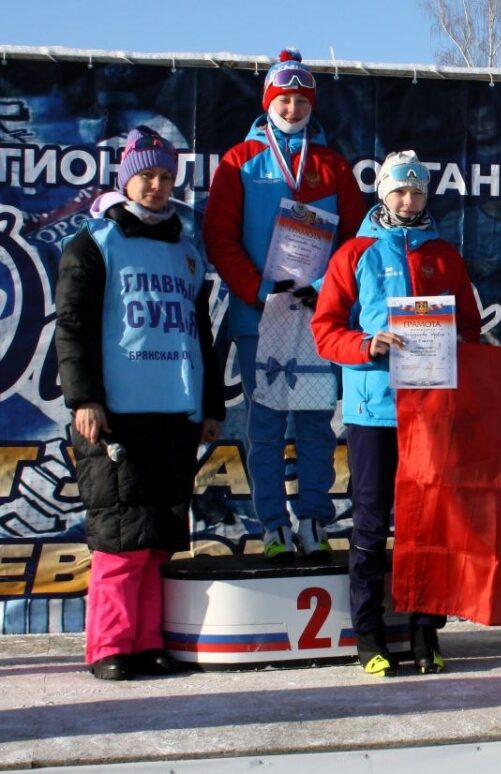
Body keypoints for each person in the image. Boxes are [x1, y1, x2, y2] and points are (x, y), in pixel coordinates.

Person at [55, 128, 224, 680]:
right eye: (146, 176)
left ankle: (148, 642)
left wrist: (210, 405)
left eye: (165, 177)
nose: (156, 186)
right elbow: (73, 329)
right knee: (119, 539)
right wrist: (84, 398)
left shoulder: (185, 248)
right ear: (126, 179)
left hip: (174, 411)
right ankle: (108, 647)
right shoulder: (93, 243)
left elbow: (201, 329)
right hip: (115, 412)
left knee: (157, 540)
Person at [311, 150, 482, 676]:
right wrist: (366, 345)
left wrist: (450, 345)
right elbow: (324, 330)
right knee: (369, 525)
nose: (408, 201)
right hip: (374, 411)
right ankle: (369, 635)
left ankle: (425, 632)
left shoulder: (444, 255)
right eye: (399, 191)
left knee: (426, 526)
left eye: (417, 192)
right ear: (382, 193)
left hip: (430, 410)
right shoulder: (355, 253)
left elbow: (470, 329)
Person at [203, 49, 366, 562]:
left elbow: (356, 238)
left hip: (318, 317)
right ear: (269, 101)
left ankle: (314, 519)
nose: (292, 109)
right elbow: (219, 236)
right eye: (284, 99)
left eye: (300, 100)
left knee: (317, 423)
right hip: (260, 316)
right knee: (267, 426)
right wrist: (258, 290)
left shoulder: (332, 164)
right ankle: (273, 525)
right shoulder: (239, 160)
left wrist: (329, 287)